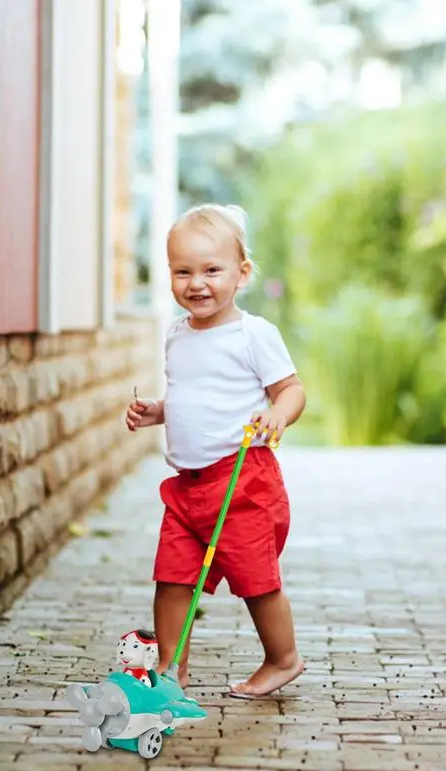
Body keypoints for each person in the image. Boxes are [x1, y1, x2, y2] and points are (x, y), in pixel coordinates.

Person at [125, 203, 306, 699]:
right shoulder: (178, 333)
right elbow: (194, 394)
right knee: (172, 575)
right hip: (188, 485)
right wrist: (159, 411)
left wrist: (278, 413)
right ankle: (170, 666)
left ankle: (282, 658)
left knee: (256, 579)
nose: (196, 283)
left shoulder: (253, 334)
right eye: (182, 271)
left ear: (242, 273)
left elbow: (292, 389)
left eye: (211, 270)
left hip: (243, 478)